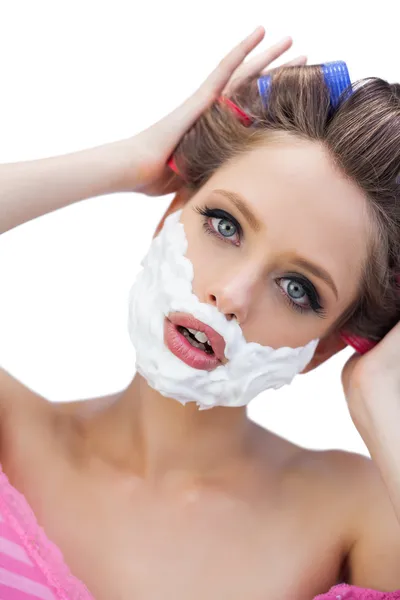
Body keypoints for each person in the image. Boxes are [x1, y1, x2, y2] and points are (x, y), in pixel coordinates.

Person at [0, 25, 400, 600]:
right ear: (171, 217)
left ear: (327, 344)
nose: (232, 296)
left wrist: (382, 394)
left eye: (297, 288)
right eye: (224, 225)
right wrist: (132, 163)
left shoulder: (363, 518)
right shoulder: (10, 436)